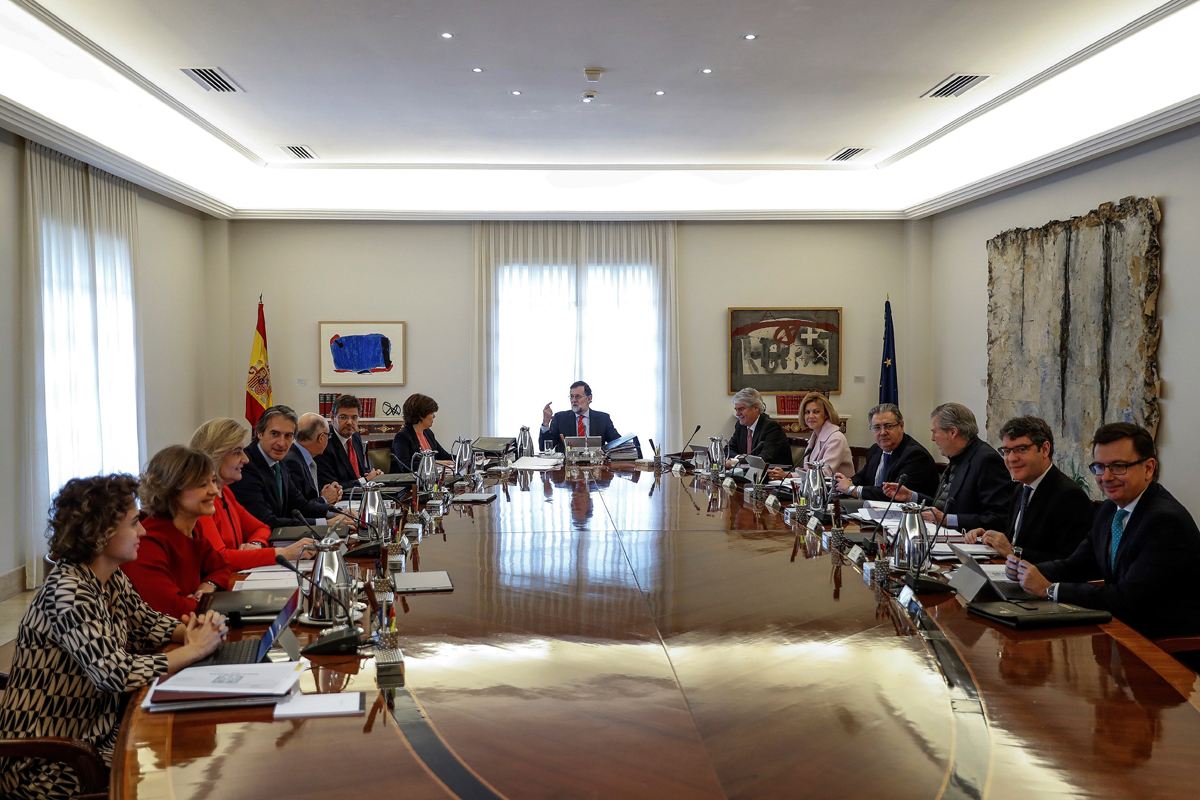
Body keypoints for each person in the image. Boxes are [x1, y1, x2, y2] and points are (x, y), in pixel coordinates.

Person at [0, 474, 226, 800]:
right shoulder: (68, 591)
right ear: (101, 531)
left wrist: (199, 630)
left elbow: (149, 624)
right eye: (134, 523)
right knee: (180, 775)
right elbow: (115, 673)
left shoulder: (108, 576)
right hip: (48, 763)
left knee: (189, 760)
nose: (144, 531)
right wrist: (194, 650)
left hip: (97, 735)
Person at [1014, 422, 1200, 639]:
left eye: (1118, 466)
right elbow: (1076, 566)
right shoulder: (1110, 509)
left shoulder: (1165, 521)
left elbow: (1127, 599)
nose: (1106, 477)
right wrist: (1024, 572)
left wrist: (1050, 589)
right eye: (1099, 467)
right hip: (1119, 630)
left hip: (1163, 644)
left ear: (1148, 468)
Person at [120, 446, 233, 618]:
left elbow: (221, 567)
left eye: (213, 481)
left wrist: (208, 586)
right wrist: (199, 602)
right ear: (171, 490)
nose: (214, 491)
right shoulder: (148, 541)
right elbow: (172, 609)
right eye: (203, 484)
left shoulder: (193, 528)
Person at [190, 418, 315, 571]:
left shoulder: (226, 493)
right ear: (214, 456)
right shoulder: (200, 500)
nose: (245, 459)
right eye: (237, 453)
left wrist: (256, 545)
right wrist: (284, 553)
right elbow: (220, 558)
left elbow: (262, 528)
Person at [963, 416, 1093, 562]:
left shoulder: (1069, 496)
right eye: (1006, 451)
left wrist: (1014, 552)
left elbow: (1070, 561)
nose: (1011, 458)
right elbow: (1015, 539)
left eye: (1021, 449)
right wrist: (987, 537)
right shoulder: (1021, 489)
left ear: (1044, 449)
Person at [883, 403, 1014, 531]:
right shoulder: (958, 456)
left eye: (935, 432)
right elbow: (944, 507)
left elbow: (999, 519)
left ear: (953, 432)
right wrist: (911, 496)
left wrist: (947, 520)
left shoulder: (986, 460)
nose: (933, 438)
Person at [230, 405, 354, 530]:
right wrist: (325, 524)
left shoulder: (279, 462)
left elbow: (299, 504)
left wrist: (337, 513)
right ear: (259, 433)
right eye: (275, 434)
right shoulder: (245, 467)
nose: (281, 443)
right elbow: (266, 521)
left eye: (288, 436)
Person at [834, 403, 939, 502]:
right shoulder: (876, 449)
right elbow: (862, 477)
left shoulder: (915, 455)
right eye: (877, 427)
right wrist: (845, 482)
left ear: (901, 427)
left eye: (888, 426)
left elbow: (892, 494)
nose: (883, 433)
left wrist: (852, 489)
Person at [768, 392, 853, 480]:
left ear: (826, 414)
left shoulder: (836, 438)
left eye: (816, 412)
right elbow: (809, 470)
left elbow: (824, 473)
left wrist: (789, 475)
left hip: (836, 489)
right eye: (807, 412)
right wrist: (790, 474)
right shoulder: (815, 436)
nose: (810, 416)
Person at [316, 395, 382, 488]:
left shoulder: (355, 436)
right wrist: (365, 480)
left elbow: (359, 470)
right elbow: (330, 486)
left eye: (354, 417)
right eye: (343, 417)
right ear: (332, 417)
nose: (349, 422)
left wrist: (373, 474)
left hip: (360, 493)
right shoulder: (324, 443)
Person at [540, 381, 621, 453]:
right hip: (567, 467)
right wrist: (546, 423)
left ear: (589, 399)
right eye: (571, 396)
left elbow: (617, 443)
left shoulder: (603, 419)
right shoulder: (560, 418)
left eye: (578, 396)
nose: (573, 400)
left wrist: (604, 451)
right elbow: (545, 449)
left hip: (595, 466)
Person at [283, 412, 343, 505]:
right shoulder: (292, 462)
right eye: (328, 435)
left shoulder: (300, 456)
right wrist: (324, 499)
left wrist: (325, 496)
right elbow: (298, 507)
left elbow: (308, 498)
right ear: (321, 438)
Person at [728, 387, 791, 467]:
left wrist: (735, 461)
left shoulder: (771, 427)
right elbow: (728, 450)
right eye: (736, 409)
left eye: (741, 409)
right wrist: (739, 458)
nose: (737, 413)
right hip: (749, 473)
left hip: (773, 475)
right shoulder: (740, 426)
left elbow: (763, 459)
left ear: (755, 408)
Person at [391, 393, 454, 472]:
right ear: (421, 415)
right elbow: (405, 465)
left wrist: (464, 459)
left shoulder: (428, 433)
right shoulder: (402, 436)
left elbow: (444, 456)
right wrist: (433, 463)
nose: (434, 416)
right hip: (412, 481)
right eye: (431, 413)